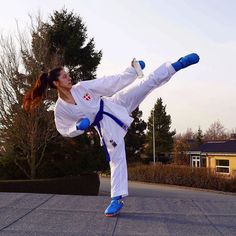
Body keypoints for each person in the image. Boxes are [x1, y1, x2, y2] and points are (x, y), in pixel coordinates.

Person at [23, 53, 200, 217]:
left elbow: (108, 83)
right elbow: (63, 129)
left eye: (67, 74)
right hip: (105, 125)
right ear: (56, 83)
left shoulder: (82, 87)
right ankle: (117, 198)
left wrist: (131, 71)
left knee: (145, 84)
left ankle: (177, 65)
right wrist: (77, 126)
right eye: (64, 76)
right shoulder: (61, 109)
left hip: (114, 104)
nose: (69, 77)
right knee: (116, 157)